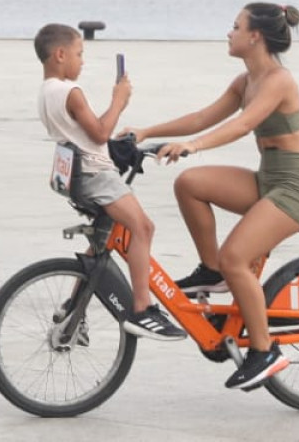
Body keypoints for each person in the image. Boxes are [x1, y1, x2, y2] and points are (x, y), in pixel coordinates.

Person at [136, 3, 299, 391]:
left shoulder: (278, 80)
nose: (229, 32)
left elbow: (243, 124)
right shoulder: (245, 81)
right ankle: (212, 270)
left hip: (296, 188)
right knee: (190, 184)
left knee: (238, 256)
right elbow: (204, 117)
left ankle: (265, 352)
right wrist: (146, 133)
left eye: (235, 26)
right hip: (268, 179)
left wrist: (193, 145)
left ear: (255, 36)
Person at [33, 23, 186, 342]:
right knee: (143, 228)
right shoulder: (69, 92)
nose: (82, 61)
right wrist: (119, 100)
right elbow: (100, 133)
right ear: (60, 55)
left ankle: (73, 308)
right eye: (79, 53)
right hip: (96, 176)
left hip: (78, 175)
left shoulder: (46, 91)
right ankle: (142, 310)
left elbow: (80, 135)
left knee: (102, 241)